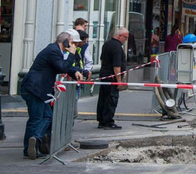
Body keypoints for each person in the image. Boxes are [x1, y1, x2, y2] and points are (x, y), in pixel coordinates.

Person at [21, 31, 89, 159]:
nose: (75, 46)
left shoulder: (56, 51)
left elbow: (63, 66)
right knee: (36, 118)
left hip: (40, 89)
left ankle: (35, 140)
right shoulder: (53, 50)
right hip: (35, 88)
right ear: (65, 42)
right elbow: (62, 67)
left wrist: (76, 72)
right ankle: (30, 146)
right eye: (73, 43)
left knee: (48, 116)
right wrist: (72, 54)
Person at [97, 28, 129, 129]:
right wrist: (119, 81)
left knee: (103, 98)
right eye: (125, 38)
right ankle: (108, 122)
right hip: (112, 77)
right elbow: (116, 66)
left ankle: (101, 120)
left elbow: (102, 60)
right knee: (111, 99)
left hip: (104, 75)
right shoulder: (117, 47)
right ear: (120, 36)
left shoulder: (107, 44)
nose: (126, 40)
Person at [72, 29, 93, 118]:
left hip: (78, 79)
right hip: (72, 80)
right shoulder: (72, 51)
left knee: (75, 103)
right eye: (83, 41)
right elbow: (71, 65)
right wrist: (84, 72)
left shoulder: (79, 50)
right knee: (73, 105)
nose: (84, 43)